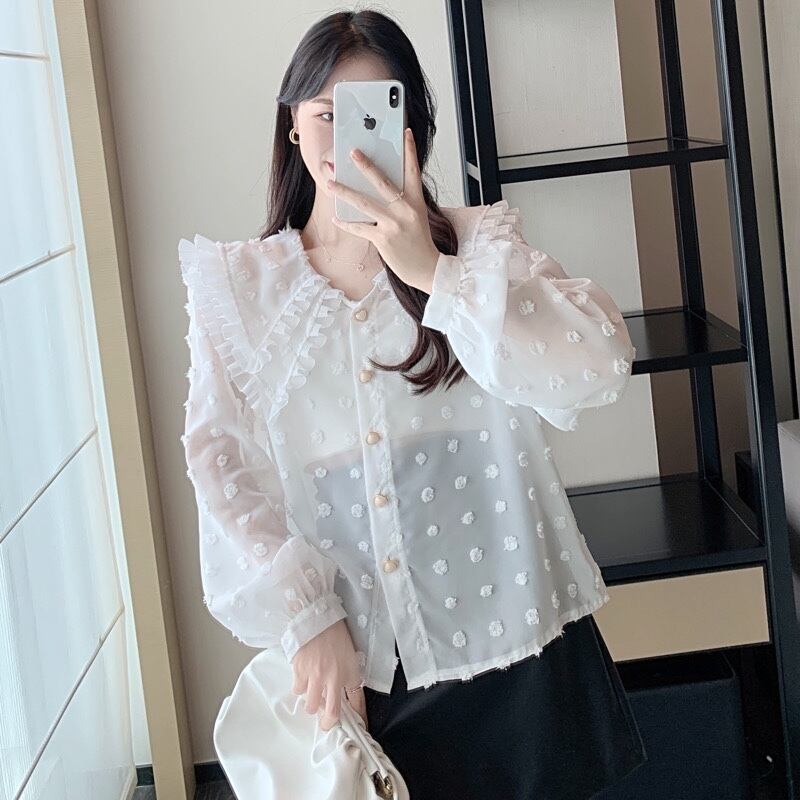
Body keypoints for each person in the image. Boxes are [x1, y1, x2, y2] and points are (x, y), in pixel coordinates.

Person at [179, 7, 648, 798]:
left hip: (519, 656)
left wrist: (433, 271)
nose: (345, 137)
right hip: (362, 667)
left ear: (411, 129)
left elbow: (600, 364)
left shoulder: (480, 247)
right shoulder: (239, 289)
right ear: (291, 125)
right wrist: (307, 619)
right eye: (325, 113)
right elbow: (221, 465)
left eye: (371, 110)